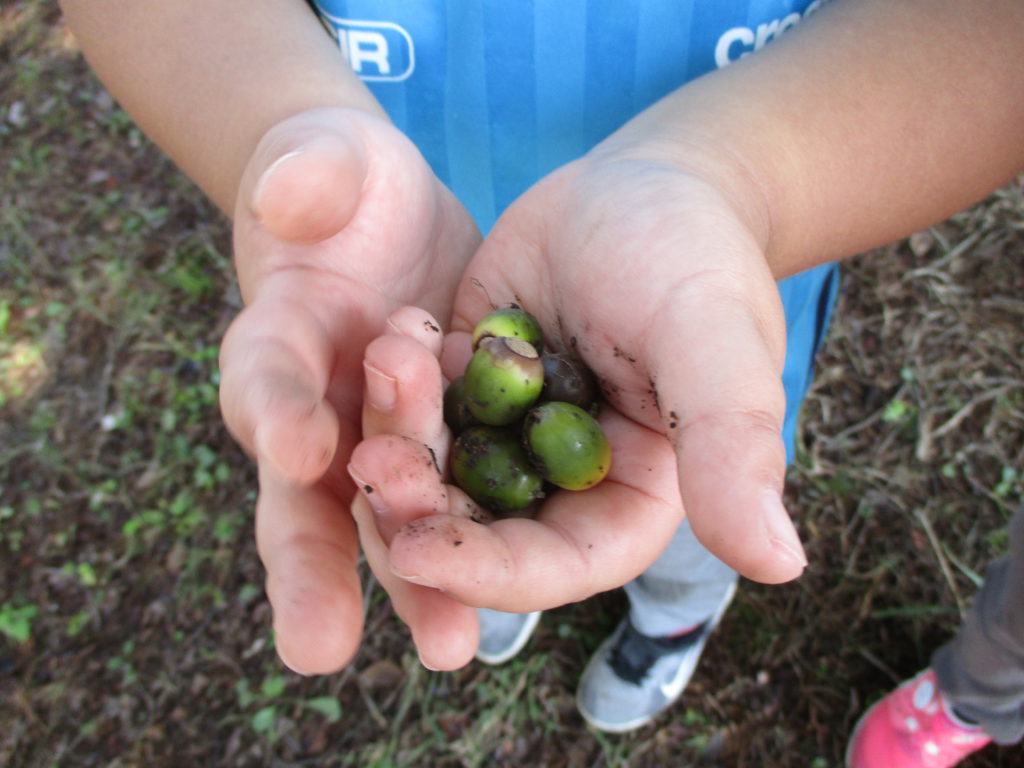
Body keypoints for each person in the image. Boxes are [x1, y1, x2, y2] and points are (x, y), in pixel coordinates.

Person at [60, 1, 1024, 765]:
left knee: (691, 510)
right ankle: (503, 596)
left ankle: (673, 616)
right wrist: (278, 121)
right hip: (413, 240)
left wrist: (729, 177)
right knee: (470, 529)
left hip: (692, 309)